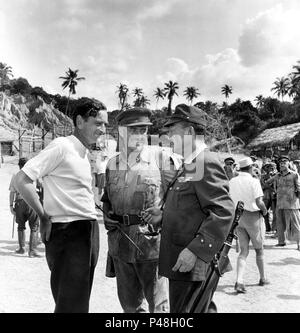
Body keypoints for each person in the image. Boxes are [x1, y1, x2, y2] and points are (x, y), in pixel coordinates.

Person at [14, 98, 108, 312]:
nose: (103, 129)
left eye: (105, 124)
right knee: (71, 306)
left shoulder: (84, 152)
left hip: (87, 230)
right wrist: (44, 216)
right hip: (69, 232)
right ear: (80, 121)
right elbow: (22, 180)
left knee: (78, 303)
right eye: (98, 123)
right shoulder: (63, 146)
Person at [144, 104, 235, 313]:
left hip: (191, 261)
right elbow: (191, 208)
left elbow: (223, 211)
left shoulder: (204, 162)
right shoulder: (192, 163)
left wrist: (195, 250)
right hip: (182, 260)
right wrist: (164, 215)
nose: (167, 137)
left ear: (189, 132)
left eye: (172, 131)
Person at [101, 107, 176, 313]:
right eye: (134, 130)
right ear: (121, 132)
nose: (140, 135)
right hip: (121, 244)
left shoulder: (162, 158)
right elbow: (106, 199)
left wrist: (164, 214)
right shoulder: (111, 164)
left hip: (152, 244)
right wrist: (106, 213)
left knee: (159, 306)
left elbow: (181, 196)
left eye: (143, 130)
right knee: (130, 306)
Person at [229, 157, 269, 293]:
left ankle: (239, 281)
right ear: (251, 167)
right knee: (259, 249)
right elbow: (259, 202)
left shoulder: (232, 181)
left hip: (238, 216)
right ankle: (263, 278)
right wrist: (264, 212)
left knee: (243, 251)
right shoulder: (254, 181)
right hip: (253, 217)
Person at [9, 157, 41, 258]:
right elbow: (41, 188)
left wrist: (11, 206)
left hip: (19, 202)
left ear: (19, 166)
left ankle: (21, 249)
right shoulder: (35, 174)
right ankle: (32, 251)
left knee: (20, 226)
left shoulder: (15, 176)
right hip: (32, 202)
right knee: (34, 227)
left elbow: (12, 192)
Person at [271, 155, 300, 250]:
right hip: (280, 203)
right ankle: (281, 242)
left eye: (284, 163)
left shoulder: (294, 174)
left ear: (289, 164)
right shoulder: (277, 175)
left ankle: (299, 243)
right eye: (280, 163)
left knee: (295, 224)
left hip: (291, 204)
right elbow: (267, 182)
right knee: (280, 224)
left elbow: (299, 188)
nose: (282, 165)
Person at [261, 162, 277, 233]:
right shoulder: (263, 176)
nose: (271, 169)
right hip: (265, 196)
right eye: (269, 167)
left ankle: (274, 228)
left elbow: (276, 185)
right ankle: (267, 227)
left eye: (272, 167)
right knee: (264, 211)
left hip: (274, 196)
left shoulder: (277, 175)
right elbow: (262, 185)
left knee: (275, 212)